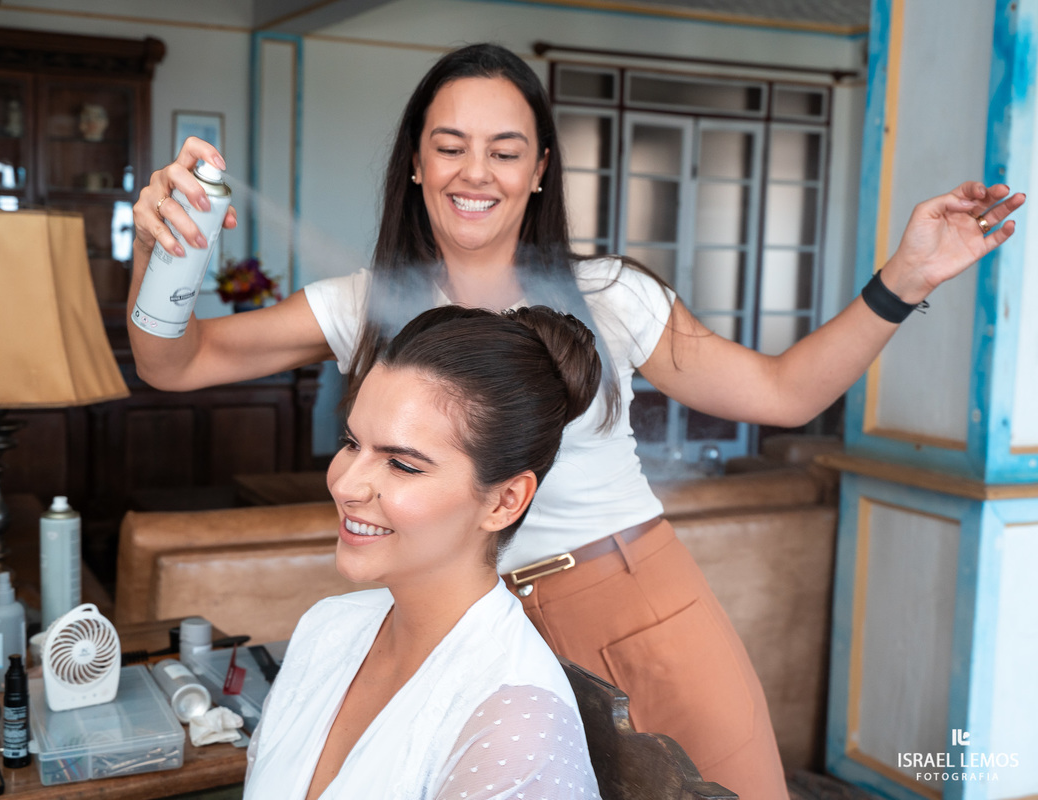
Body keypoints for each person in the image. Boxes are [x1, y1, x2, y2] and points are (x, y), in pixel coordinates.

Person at [129, 44, 1024, 799]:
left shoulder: (611, 296)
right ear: (415, 162)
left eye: (506, 150)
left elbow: (786, 393)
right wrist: (166, 256)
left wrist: (905, 277)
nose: (475, 172)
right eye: (449, 147)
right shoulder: (365, 305)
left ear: (541, 168)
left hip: (637, 603)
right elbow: (174, 361)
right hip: (472, 626)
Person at [243, 304, 602, 800]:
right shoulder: (326, 629)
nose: (346, 485)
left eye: (402, 465)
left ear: (504, 501)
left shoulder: (515, 723)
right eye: (351, 443)